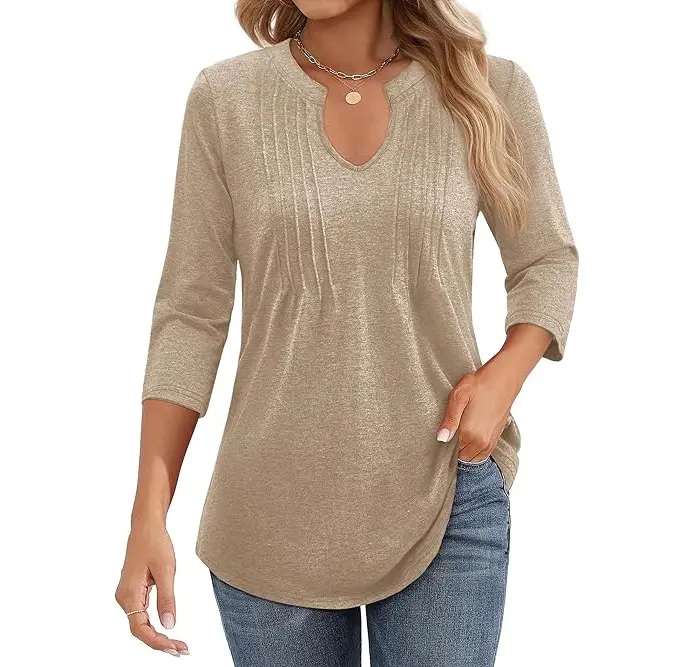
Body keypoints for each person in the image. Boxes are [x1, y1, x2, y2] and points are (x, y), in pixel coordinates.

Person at [115, 0, 579, 664]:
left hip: (443, 493)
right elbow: (190, 313)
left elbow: (546, 260)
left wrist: (502, 379)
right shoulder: (226, 99)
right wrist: (148, 514)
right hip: (270, 514)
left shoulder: (488, 87)